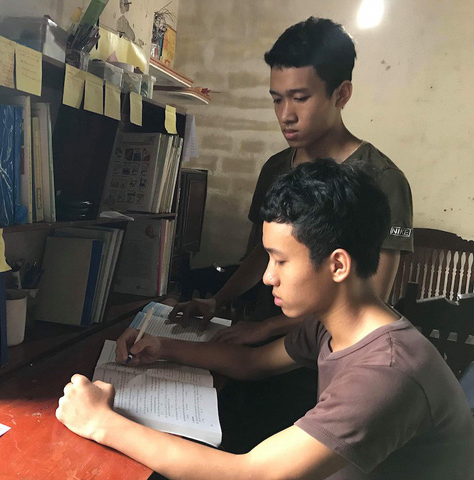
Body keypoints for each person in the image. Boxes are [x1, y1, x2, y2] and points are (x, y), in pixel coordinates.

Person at [56, 159, 474, 479]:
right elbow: (253, 362)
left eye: (280, 260)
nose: (268, 276)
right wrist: (164, 347)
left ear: (338, 265)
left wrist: (100, 422)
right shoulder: (333, 322)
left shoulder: (387, 373)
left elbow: (253, 474)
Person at [170, 17, 413, 347]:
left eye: (300, 98)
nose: (286, 115)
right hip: (256, 340)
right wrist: (217, 301)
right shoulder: (276, 168)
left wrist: (271, 328)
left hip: (325, 354)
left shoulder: (382, 181)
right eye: (277, 99)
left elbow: (370, 299)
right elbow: (262, 254)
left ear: (341, 94)